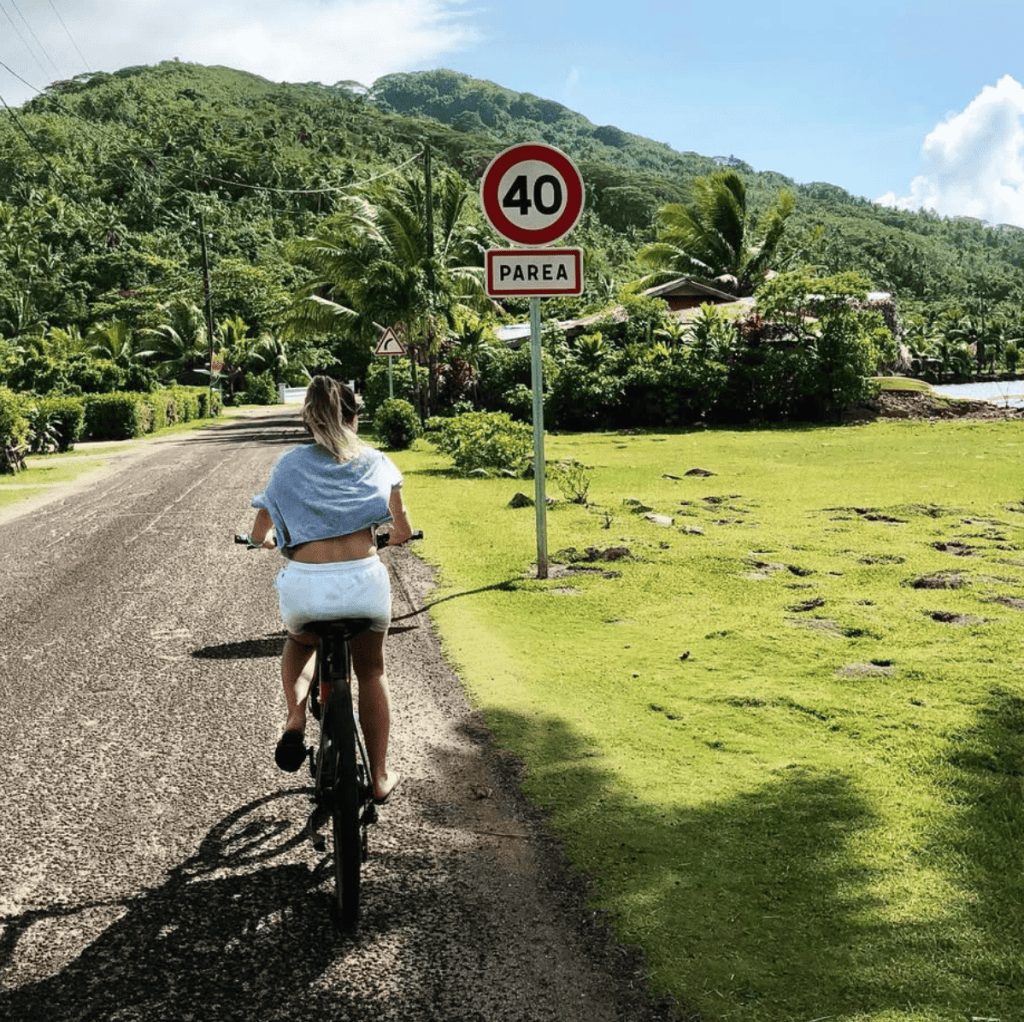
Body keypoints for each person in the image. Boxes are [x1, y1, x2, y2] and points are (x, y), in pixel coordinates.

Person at [245, 376, 412, 804]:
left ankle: (296, 717)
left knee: (301, 643)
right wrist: (390, 538)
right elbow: (401, 530)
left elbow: (260, 529)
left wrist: (262, 541)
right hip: (363, 583)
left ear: (309, 422)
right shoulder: (375, 460)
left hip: (306, 589)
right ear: (355, 418)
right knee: (371, 671)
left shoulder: (287, 466)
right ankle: (377, 777)